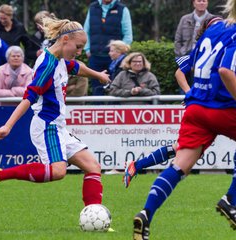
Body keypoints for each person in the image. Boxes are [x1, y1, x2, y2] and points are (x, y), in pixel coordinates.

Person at [0, 16, 111, 215]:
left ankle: (93, 215)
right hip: (47, 125)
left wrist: (98, 75)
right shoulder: (47, 65)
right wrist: (8, 125)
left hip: (58, 127)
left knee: (93, 167)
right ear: (65, 40)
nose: (79, 52)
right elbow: (29, 97)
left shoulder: (60, 59)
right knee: (58, 171)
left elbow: (76, 67)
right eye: (78, 47)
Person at [132, 2, 236, 238]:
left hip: (196, 107)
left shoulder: (210, 32)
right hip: (220, 106)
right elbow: (225, 71)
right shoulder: (234, 33)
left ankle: (146, 214)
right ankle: (231, 200)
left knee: (180, 165)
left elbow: (188, 69)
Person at [123, 15, 224, 188]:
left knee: (182, 148)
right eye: (216, 25)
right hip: (206, 106)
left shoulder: (225, 46)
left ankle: (138, 166)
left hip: (217, 105)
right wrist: (190, 93)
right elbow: (179, 72)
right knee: (184, 148)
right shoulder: (200, 50)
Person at [83, 0, 132, 96]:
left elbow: (128, 35)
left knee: (116, 86)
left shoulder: (122, 9)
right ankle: (97, 109)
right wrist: (87, 49)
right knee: (96, 88)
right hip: (95, 56)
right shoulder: (93, 7)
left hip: (116, 59)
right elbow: (86, 31)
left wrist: (121, 52)